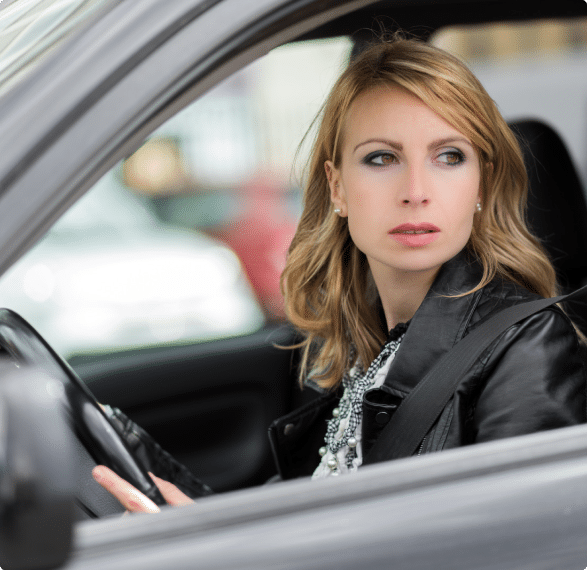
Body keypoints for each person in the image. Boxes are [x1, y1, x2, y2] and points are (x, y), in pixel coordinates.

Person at [92, 35, 586, 511]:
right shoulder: (359, 349)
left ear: (482, 183)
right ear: (337, 188)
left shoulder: (528, 347)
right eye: (381, 158)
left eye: (449, 157)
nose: (416, 189)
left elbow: (518, 548)